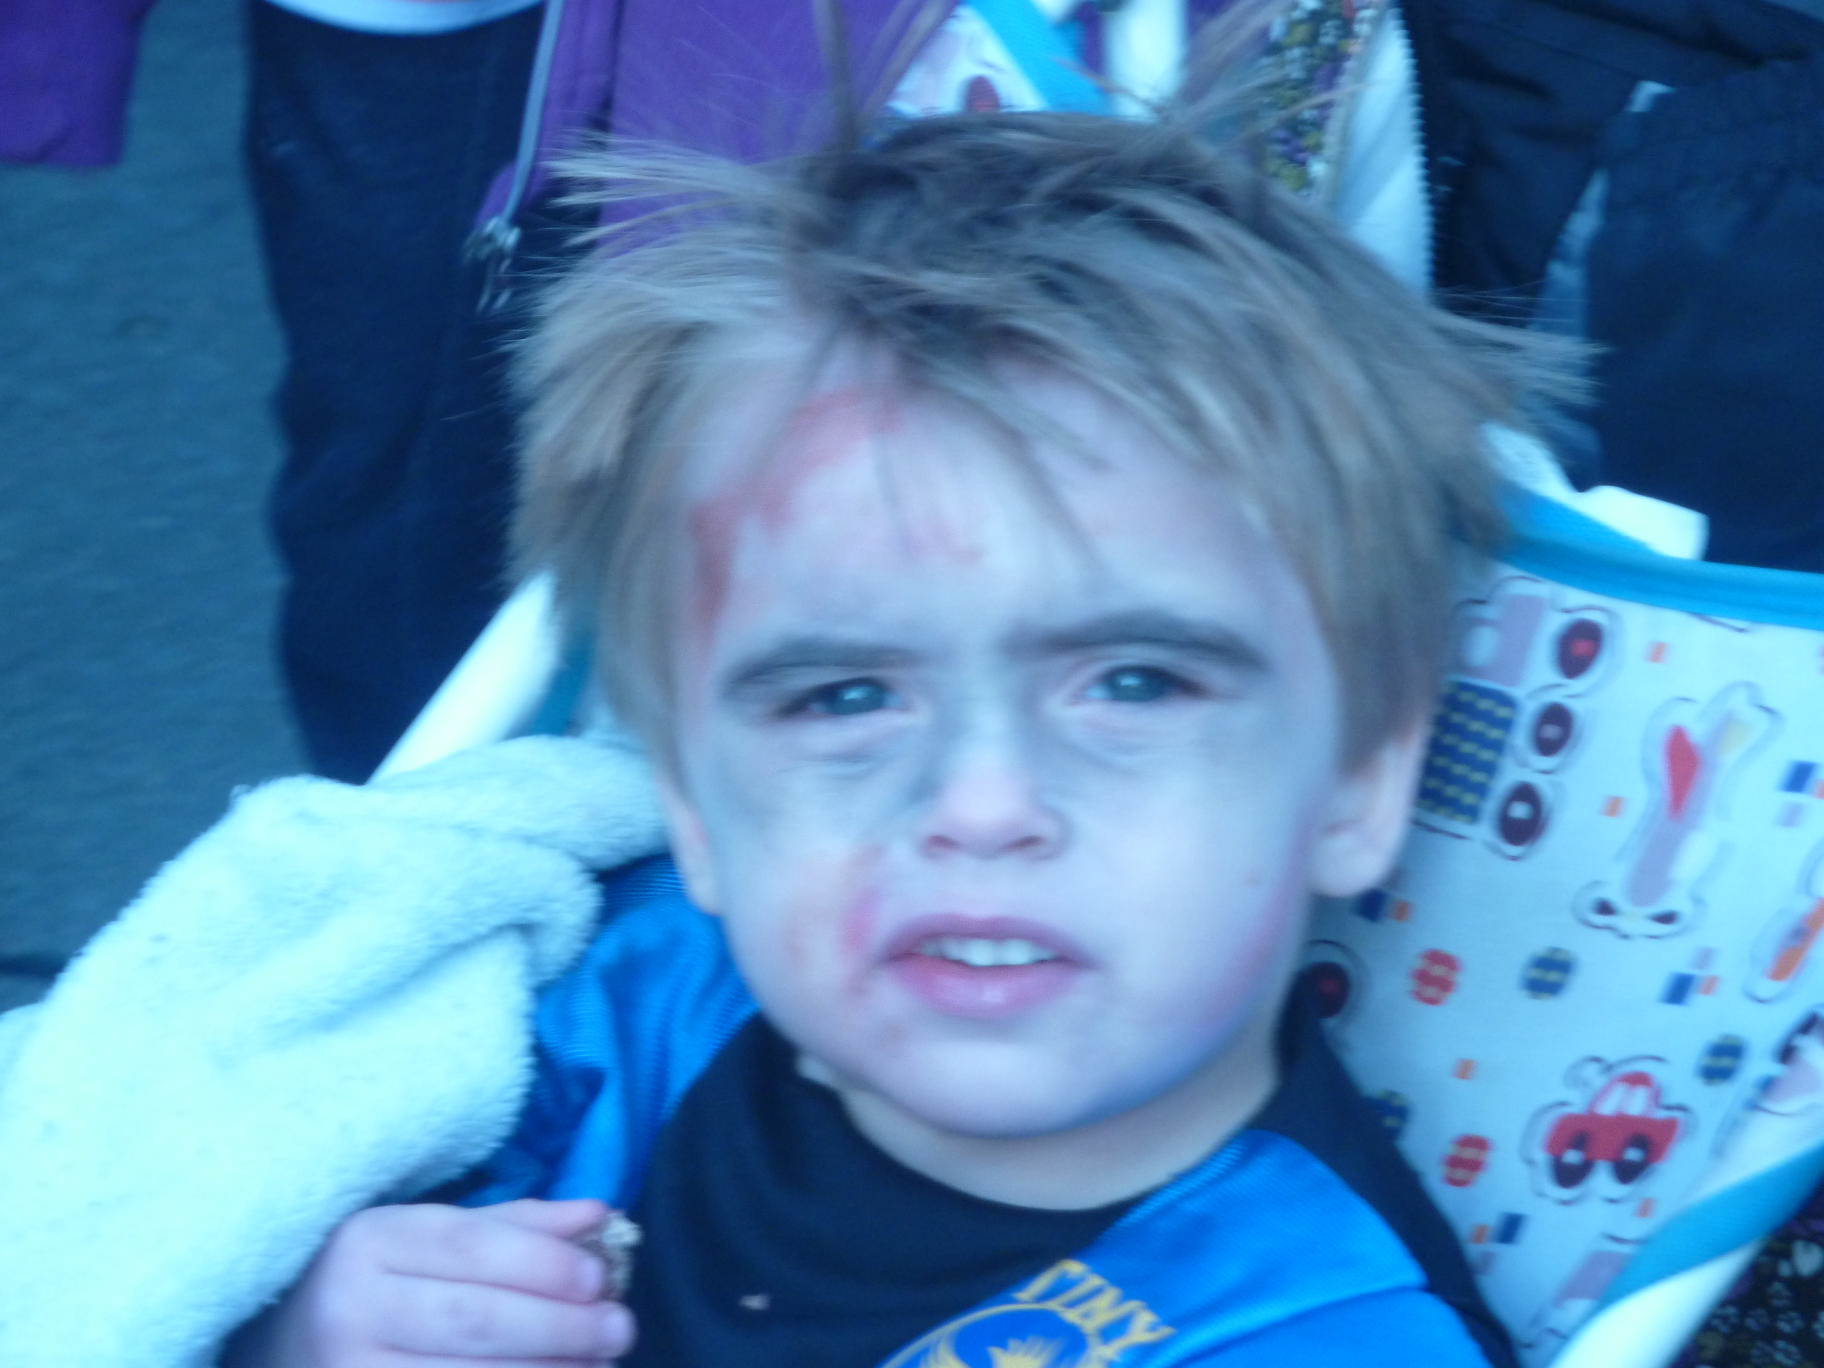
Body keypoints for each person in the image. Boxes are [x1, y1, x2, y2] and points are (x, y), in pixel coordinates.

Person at [199, 100, 1558, 1366]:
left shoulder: (1328, 1330)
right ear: (690, 802)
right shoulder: (620, 1002)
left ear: (1359, 776)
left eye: (1135, 683)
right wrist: (290, 1331)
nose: (981, 805)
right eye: (845, 698)